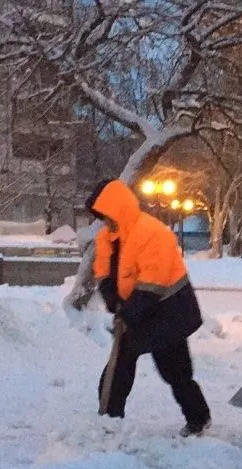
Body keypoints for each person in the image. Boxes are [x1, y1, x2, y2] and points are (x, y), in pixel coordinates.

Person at [87, 178, 211, 437]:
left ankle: (198, 418)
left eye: (106, 214)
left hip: (169, 309)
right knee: (122, 360)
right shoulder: (106, 238)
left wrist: (127, 312)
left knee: (174, 370)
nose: (104, 221)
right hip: (139, 308)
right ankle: (109, 418)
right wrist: (111, 296)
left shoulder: (152, 232)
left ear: (117, 208)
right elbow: (103, 271)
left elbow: (152, 282)